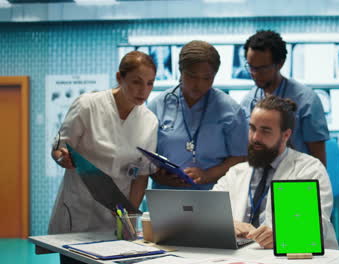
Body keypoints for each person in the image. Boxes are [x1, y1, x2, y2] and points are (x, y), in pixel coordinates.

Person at [49, 51, 158, 235]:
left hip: (116, 214)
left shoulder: (149, 121)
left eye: (150, 83)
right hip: (78, 208)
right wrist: (62, 158)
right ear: (119, 77)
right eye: (136, 82)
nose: (143, 90)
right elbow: (59, 148)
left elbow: (141, 176)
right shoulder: (88, 106)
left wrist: (129, 217)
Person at [213, 96, 338, 250]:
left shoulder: (308, 170)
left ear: (286, 135)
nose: (255, 137)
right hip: (243, 256)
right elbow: (210, 213)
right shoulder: (237, 172)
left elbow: (318, 226)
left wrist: (282, 235)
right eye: (252, 128)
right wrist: (228, 224)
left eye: (265, 131)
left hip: (293, 257)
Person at [148, 40, 248, 190]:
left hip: (212, 193)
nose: (198, 84)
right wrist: (156, 174)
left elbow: (239, 157)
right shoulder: (157, 106)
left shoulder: (230, 110)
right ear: (180, 71)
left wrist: (207, 175)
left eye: (207, 78)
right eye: (192, 76)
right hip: (166, 192)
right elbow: (145, 155)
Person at [240, 30, 329, 166]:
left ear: (280, 63)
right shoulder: (248, 101)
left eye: (262, 68)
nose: (255, 74)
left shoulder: (306, 101)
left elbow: (319, 161)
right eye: (251, 67)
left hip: (296, 181)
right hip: (259, 177)